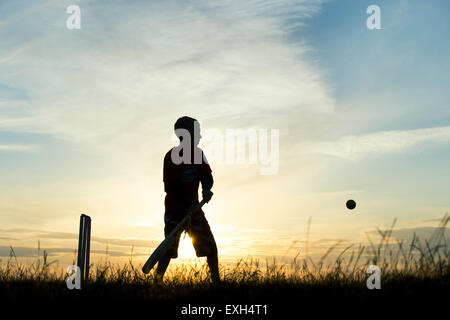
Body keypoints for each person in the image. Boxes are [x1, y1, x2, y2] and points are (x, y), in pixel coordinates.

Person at [155, 116, 220, 282]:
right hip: (175, 211)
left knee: (210, 247)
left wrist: (206, 189)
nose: (200, 136)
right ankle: (156, 282)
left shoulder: (198, 154)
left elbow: (207, 177)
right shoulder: (171, 157)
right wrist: (186, 206)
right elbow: (171, 188)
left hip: (195, 211)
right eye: (197, 132)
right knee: (168, 249)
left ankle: (216, 283)